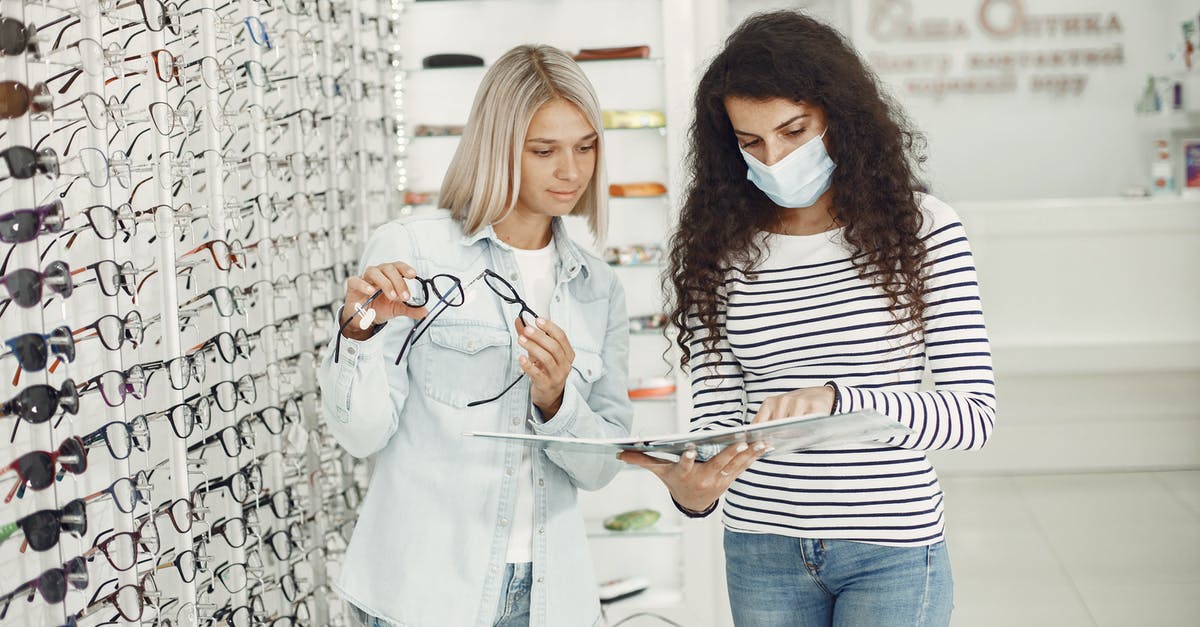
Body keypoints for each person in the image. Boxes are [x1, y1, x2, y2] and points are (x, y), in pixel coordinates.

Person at [620, 11, 996, 627]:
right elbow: (719, 420)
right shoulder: (719, 247)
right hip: (761, 548)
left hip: (891, 547)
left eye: (794, 131)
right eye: (751, 142)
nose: (775, 157)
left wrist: (837, 398)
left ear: (838, 117)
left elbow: (972, 418)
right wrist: (694, 491)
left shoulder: (924, 230)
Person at [317, 44, 633, 627]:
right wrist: (359, 331)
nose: (572, 170)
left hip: (549, 600)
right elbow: (360, 435)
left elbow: (602, 467)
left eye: (586, 147)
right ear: (498, 147)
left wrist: (556, 400)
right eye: (545, 151)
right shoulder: (412, 250)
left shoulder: (598, 286)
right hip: (422, 595)